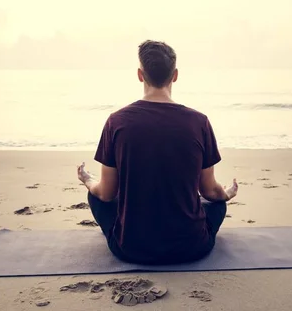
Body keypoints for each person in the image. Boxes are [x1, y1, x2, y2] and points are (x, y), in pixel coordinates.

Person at [77, 40, 238, 265]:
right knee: (218, 203)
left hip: (131, 249)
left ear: (140, 75)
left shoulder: (117, 122)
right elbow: (210, 191)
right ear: (175, 75)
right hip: (191, 247)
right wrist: (227, 194)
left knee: (94, 196)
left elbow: (106, 193)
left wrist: (87, 180)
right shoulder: (199, 122)